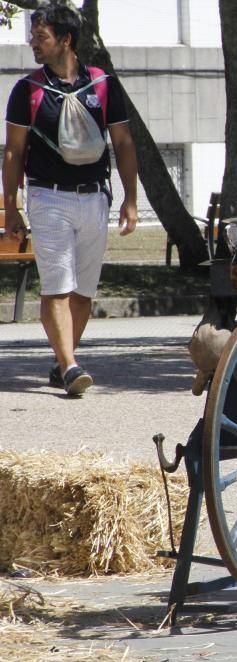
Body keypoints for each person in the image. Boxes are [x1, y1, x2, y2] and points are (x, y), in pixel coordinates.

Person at [2, 3, 138, 396]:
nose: (33, 43)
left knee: (83, 293)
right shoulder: (26, 91)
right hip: (48, 197)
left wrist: (131, 199)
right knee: (58, 287)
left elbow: (124, 142)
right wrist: (12, 207)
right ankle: (70, 365)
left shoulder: (103, 85)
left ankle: (64, 360)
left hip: (94, 198)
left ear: (66, 40)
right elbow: (13, 152)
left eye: (40, 37)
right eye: (32, 36)